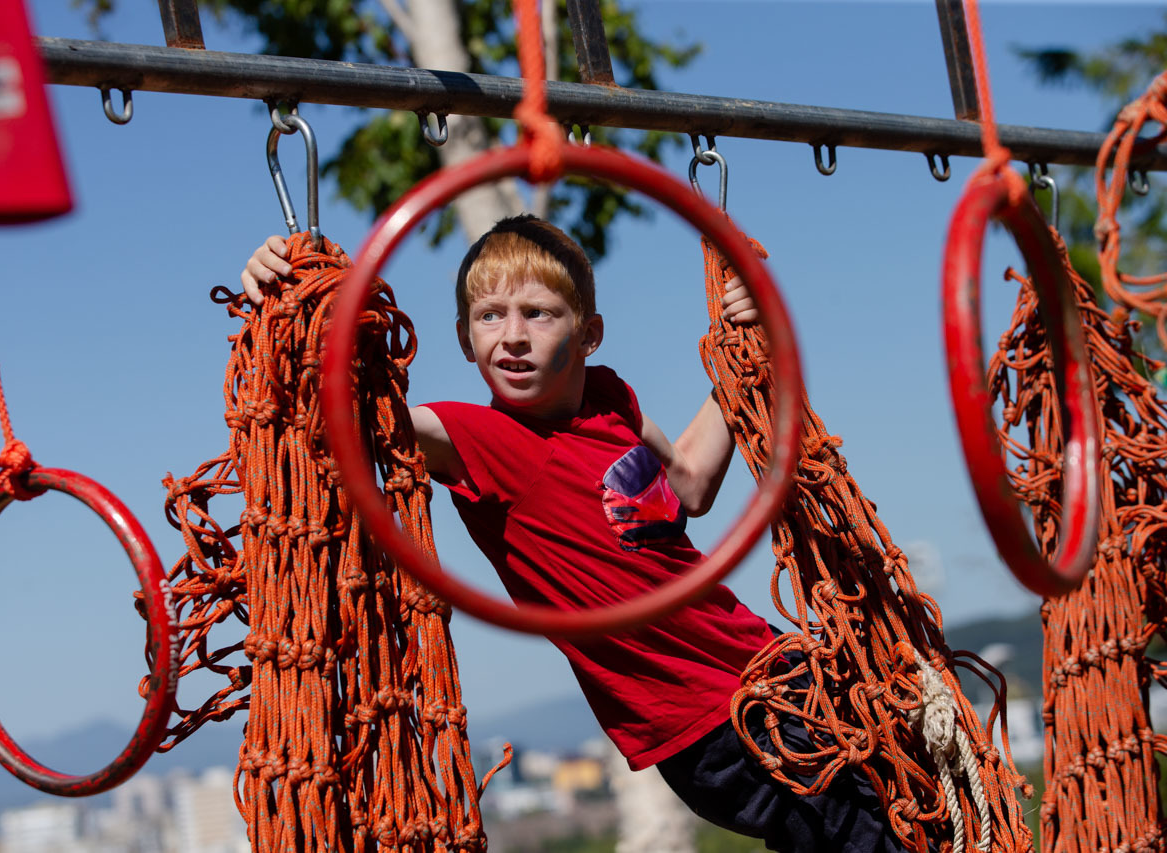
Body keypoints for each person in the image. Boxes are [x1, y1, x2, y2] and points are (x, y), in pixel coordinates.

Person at [241, 215, 904, 853]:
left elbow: (692, 482)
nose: (513, 336)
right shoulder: (480, 440)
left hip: (773, 664)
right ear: (466, 339)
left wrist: (750, 348)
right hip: (705, 724)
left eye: (539, 313)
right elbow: (347, 418)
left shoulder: (611, 403)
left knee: (917, 797)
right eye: (490, 316)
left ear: (589, 335)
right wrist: (292, 300)